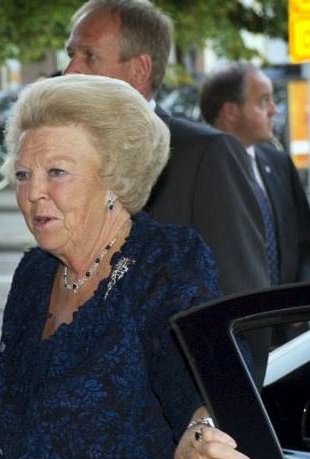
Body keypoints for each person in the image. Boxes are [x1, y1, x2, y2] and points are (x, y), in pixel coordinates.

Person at [0, 74, 273, 459]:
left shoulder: (166, 261)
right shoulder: (35, 275)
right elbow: (11, 419)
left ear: (115, 178)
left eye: (57, 172)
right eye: (23, 174)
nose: (34, 193)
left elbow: (191, 370)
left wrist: (200, 437)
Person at [64, 0, 272, 369]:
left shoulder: (203, 155)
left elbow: (243, 310)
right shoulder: (66, 159)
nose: (70, 70)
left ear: (139, 70)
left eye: (89, 56)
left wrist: (212, 417)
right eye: (71, 54)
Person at [199, 62, 310, 289]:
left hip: (288, 318)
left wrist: (297, 299)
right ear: (230, 112)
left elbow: (309, 247)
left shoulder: (280, 163)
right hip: (232, 320)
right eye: (264, 100)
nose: (274, 109)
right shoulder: (197, 173)